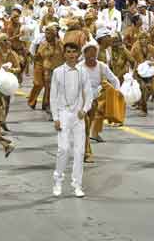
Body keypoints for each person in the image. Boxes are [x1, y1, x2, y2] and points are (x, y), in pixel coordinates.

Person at [50, 42, 91, 198]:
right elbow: (53, 96)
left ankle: (77, 185)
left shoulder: (83, 71)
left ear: (78, 53)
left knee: (79, 151)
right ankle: (58, 180)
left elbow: (89, 93)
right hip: (63, 114)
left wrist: (85, 109)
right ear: (64, 54)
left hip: (78, 115)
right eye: (68, 52)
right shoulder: (57, 72)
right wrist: (55, 117)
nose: (72, 54)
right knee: (63, 149)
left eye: (74, 52)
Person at [78, 42, 120, 159]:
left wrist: (117, 93)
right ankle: (87, 152)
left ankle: (83, 147)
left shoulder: (102, 66)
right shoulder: (79, 68)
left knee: (87, 125)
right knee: (86, 124)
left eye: (94, 54)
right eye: (89, 54)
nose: (92, 57)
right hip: (81, 101)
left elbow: (115, 80)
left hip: (94, 100)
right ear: (84, 54)